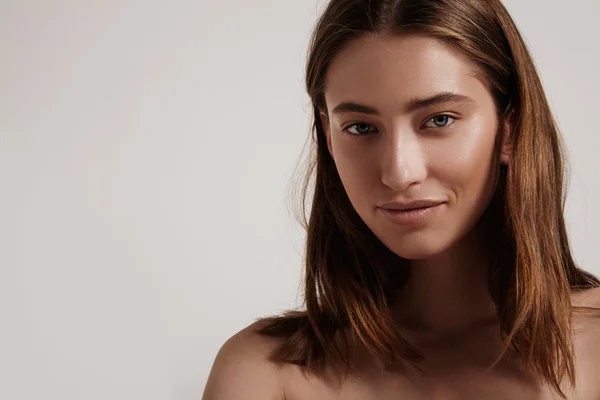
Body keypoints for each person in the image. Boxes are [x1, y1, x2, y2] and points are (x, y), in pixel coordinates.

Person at [203, 0, 600, 398]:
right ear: (328, 134)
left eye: (439, 120)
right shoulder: (266, 373)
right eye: (360, 127)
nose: (399, 173)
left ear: (510, 126)